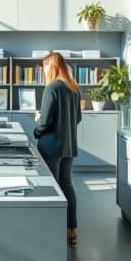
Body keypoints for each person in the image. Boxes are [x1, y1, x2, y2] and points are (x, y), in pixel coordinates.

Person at [33, 52, 81, 247]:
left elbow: (45, 122)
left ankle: (52, 229)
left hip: (51, 146)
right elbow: (77, 118)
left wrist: (37, 127)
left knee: (52, 188)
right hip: (69, 145)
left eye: (45, 67)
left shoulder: (51, 88)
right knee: (66, 185)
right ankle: (71, 230)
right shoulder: (74, 88)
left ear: (51, 67)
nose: (44, 72)